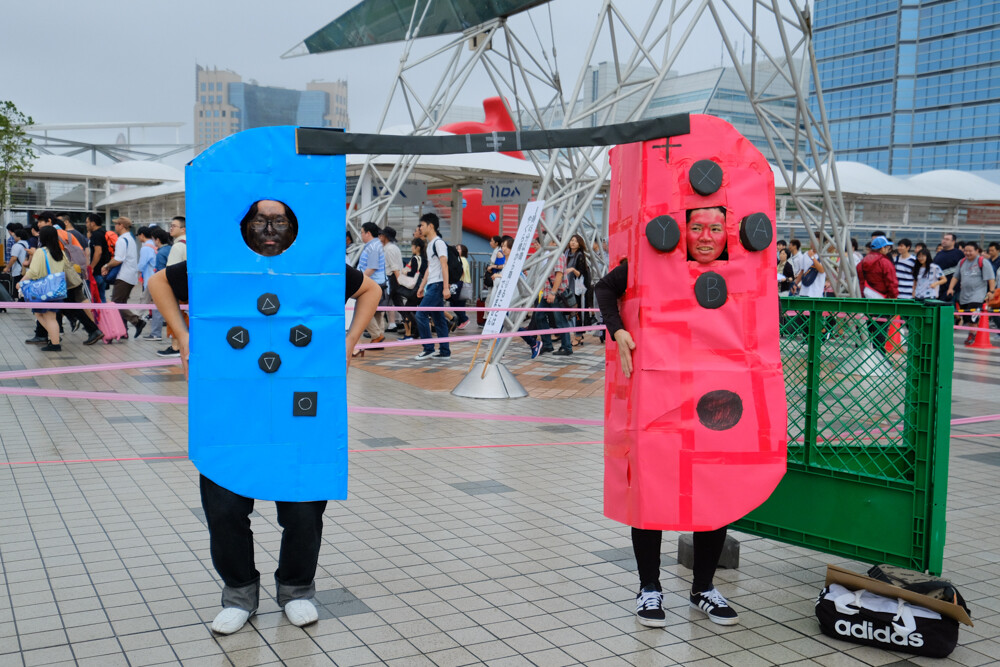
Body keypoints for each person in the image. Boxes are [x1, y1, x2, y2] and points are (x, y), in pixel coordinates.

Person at [147, 224, 381, 636]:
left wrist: (348, 342)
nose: (269, 231)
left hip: (300, 405)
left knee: (304, 508)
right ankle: (239, 593)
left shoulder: (317, 264)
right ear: (243, 224)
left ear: (294, 225)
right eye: (260, 221)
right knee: (224, 507)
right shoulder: (217, 263)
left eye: (279, 221)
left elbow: (371, 290)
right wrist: (182, 335)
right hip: (233, 406)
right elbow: (158, 283)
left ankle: (296, 589)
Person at [595, 206, 738, 628]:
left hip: (715, 397)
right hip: (659, 395)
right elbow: (604, 289)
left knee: (713, 492)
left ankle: (703, 588)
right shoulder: (650, 261)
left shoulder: (739, 269)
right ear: (683, 230)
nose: (706, 236)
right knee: (652, 487)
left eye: (715, 228)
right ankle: (649, 587)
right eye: (697, 227)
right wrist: (619, 329)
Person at [20, 226, 79, 352]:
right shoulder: (60, 252)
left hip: (43, 289)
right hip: (56, 288)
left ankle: (55, 343)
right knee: (41, 314)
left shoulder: (40, 252)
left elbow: (34, 272)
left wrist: (21, 282)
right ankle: (54, 337)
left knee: (49, 317)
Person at [414, 213, 451, 360]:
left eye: (422, 225)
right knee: (439, 319)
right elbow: (430, 268)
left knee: (420, 314)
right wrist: (422, 286)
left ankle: (428, 348)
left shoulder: (438, 243)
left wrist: (446, 287)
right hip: (432, 284)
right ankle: (445, 351)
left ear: (431, 226)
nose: (420, 228)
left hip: (437, 284)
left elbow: (444, 265)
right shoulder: (430, 245)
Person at [101, 217, 146, 338]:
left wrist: (106, 266)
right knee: (121, 303)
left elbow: (118, 259)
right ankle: (124, 331)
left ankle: (137, 321)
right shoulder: (130, 239)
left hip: (123, 276)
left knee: (116, 304)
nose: (115, 226)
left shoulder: (122, 240)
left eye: (116, 224)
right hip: (131, 276)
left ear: (121, 225)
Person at [947, 241, 996, 346]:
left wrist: (991, 291)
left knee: (973, 317)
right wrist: (950, 288)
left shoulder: (983, 262)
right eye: (966, 251)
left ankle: (972, 335)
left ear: (977, 251)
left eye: (970, 251)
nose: (967, 253)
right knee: (968, 317)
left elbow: (991, 278)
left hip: (977, 295)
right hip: (964, 295)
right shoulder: (962, 262)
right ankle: (973, 333)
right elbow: (955, 277)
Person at [356, 222, 387, 347]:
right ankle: (378, 339)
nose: (361, 235)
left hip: (372, 283)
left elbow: (372, 267)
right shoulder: (376, 245)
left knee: (362, 311)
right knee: (377, 313)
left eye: (362, 232)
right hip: (378, 283)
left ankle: (376, 335)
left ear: (368, 233)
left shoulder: (373, 247)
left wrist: (359, 279)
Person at [144, 226, 173, 342]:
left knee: (157, 309)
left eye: (153, 239)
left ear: (157, 240)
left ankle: (156, 333)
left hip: (164, 285)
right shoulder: (170, 249)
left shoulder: (161, 253)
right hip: (173, 283)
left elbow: (161, 272)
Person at [399, 237, 426, 340]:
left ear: (417, 247)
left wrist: (405, 272)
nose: (411, 248)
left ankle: (408, 334)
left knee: (407, 310)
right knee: (417, 312)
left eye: (412, 246)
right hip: (422, 288)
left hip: (415, 289)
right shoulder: (425, 259)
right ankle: (417, 332)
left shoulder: (415, 259)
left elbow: (413, 273)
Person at [564, 234, 590, 346]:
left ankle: (578, 336)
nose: (573, 242)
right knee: (570, 312)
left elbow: (580, 274)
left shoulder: (580, 255)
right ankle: (578, 334)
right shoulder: (567, 254)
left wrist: (572, 269)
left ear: (579, 244)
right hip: (568, 287)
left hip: (576, 289)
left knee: (576, 312)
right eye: (571, 240)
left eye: (575, 241)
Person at [379, 226, 404, 334]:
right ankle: (394, 324)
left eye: (382, 235)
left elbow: (394, 267)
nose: (380, 236)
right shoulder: (393, 248)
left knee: (383, 302)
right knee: (396, 303)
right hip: (393, 279)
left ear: (386, 236)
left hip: (391, 279)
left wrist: (399, 281)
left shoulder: (389, 249)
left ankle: (377, 329)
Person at [933, 233, 964, 301]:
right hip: (939, 288)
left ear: (953, 241)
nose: (944, 241)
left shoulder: (959, 254)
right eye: (944, 239)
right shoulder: (939, 254)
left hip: (952, 290)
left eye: (947, 239)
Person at [449, 244, 471, 331]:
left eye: (458, 249)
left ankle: (465, 319)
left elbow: (461, 271)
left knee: (454, 303)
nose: (456, 250)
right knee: (460, 304)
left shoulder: (462, 260)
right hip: (462, 284)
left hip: (461, 284)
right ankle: (461, 321)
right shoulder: (460, 259)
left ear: (463, 251)